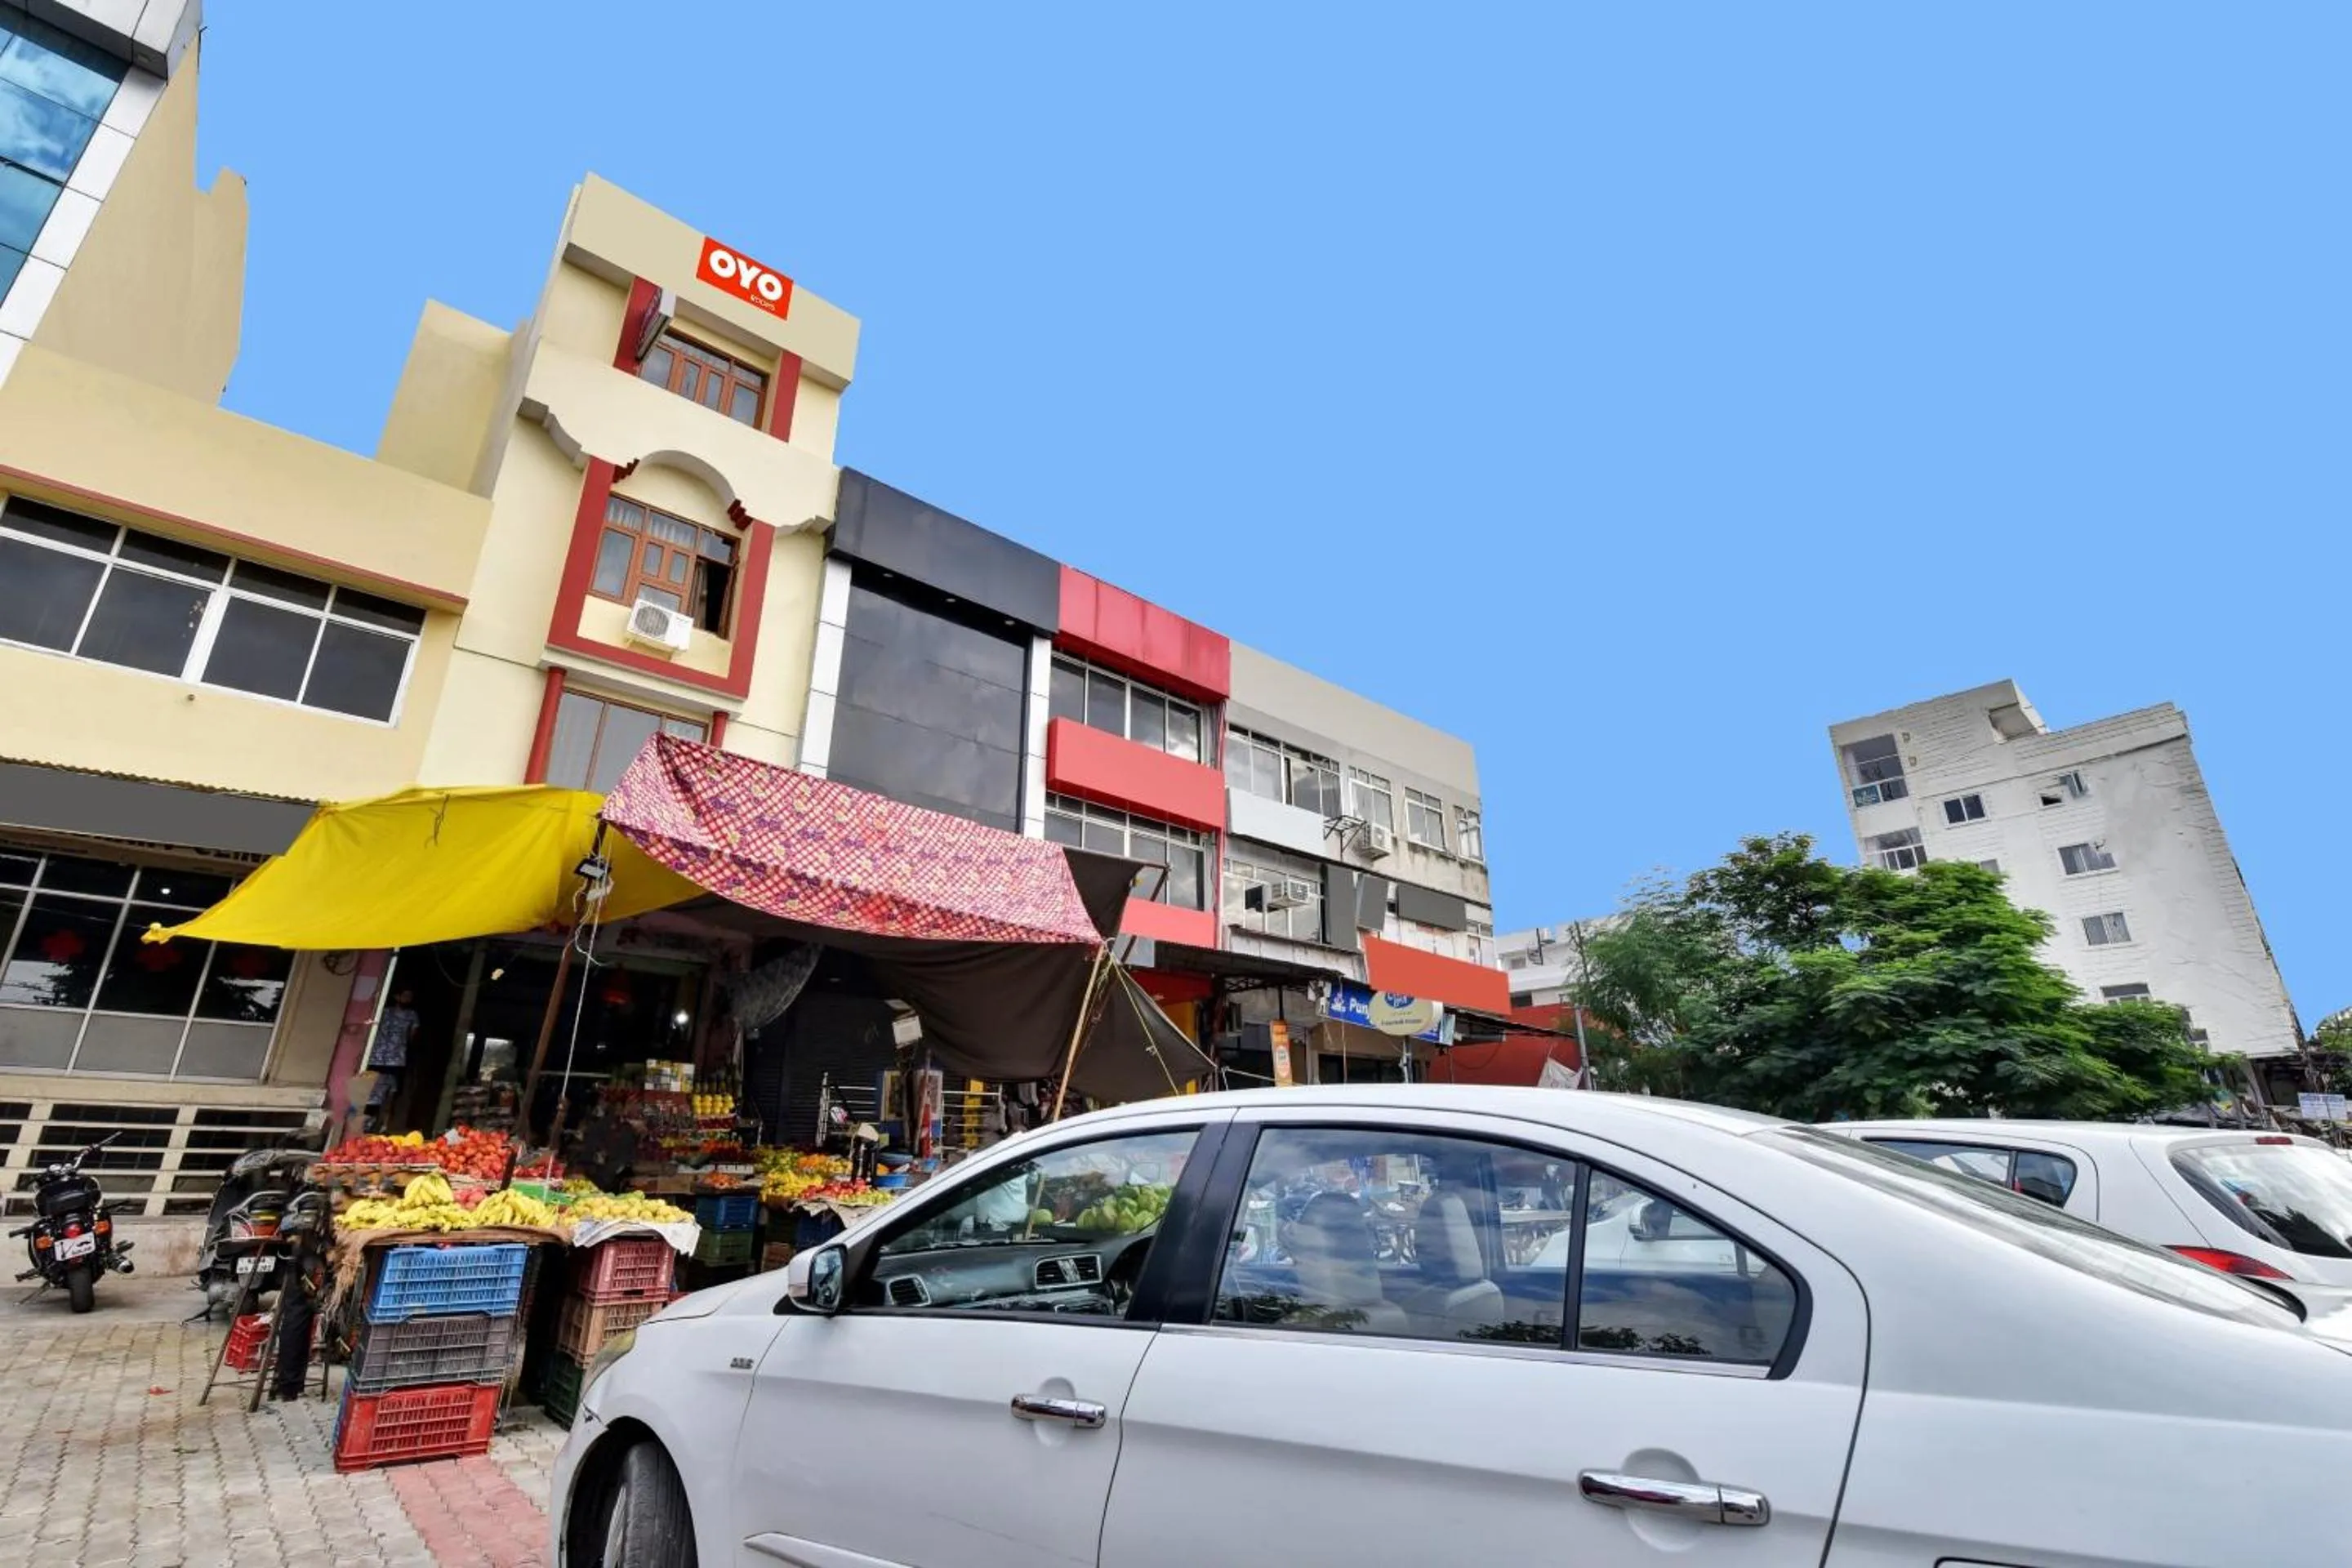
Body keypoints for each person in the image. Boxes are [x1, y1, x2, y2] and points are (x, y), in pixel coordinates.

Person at [364, 987, 420, 1132]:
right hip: (376, 1057)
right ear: (397, 996)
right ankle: (368, 1121)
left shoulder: (412, 1015)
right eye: (405, 995)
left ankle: (383, 1125)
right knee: (372, 1089)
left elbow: (412, 1036)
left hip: (396, 1060)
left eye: (410, 996)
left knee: (391, 1091)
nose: (408, 999)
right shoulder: (383, 1012)